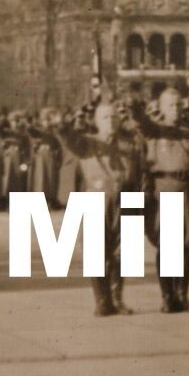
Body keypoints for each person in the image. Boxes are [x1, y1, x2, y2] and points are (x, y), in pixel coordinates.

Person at [131, 80, 189, 313]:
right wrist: (135, 104)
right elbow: (141, 121)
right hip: (164, 188)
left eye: (179, 105)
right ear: (161, 107)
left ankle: (182, 294)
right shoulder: (154, 130)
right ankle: (167, 296)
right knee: (166, 245)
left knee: (187, 245)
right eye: (170, 105)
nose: (176, 109)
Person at [56, 96, 144, 316]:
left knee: (121, 253)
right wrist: (69, 117)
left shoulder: (129, 143)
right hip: (95, 200)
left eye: (114, 116)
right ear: (96, 121)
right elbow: (64, 135)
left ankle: (117, 298)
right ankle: (102, 301)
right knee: (96, 252)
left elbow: (139, 173)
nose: (111, 121)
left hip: (123, 199)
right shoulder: (86, 143)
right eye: (105, 117)